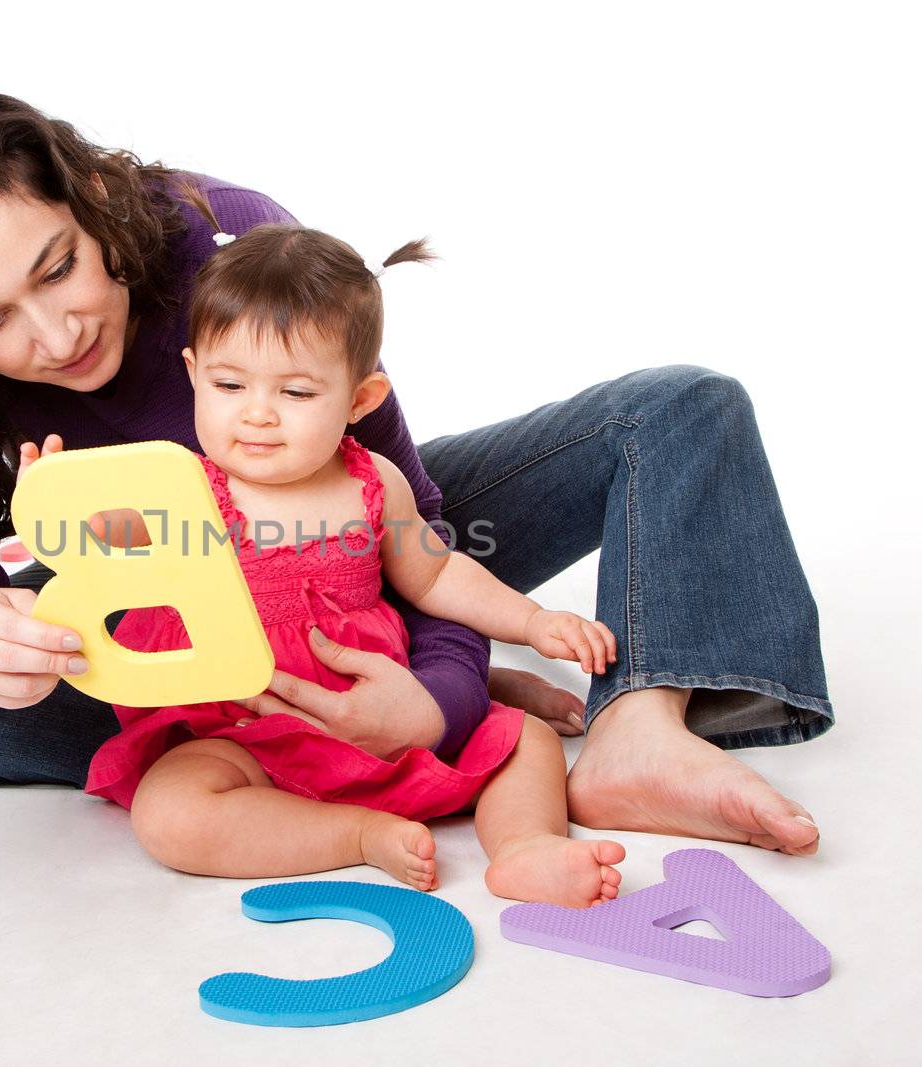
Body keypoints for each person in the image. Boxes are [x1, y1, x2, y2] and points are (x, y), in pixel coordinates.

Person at [0, 90, 834, 858]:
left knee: (679, 410)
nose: (55, 331)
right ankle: (284, 752)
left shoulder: (223, 241)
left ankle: (635, 729)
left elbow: (411, 519)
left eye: (59, 266)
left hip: (355, 553)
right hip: (181, 638)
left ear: (92, 200)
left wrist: (435, 692)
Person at [56, 209, 626, 904]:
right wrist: (60, 505)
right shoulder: (188, 489)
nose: (258, 413)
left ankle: (525, 846)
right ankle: (356, 835)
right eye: (230, 386)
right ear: (194, 374)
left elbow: (438, 572)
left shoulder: (373, 483)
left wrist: (532, 622)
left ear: (360, 398)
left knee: (527, 741)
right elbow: (111, 537)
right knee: (169, 812)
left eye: (295, 392)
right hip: (242, 731)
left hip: (374, 718)